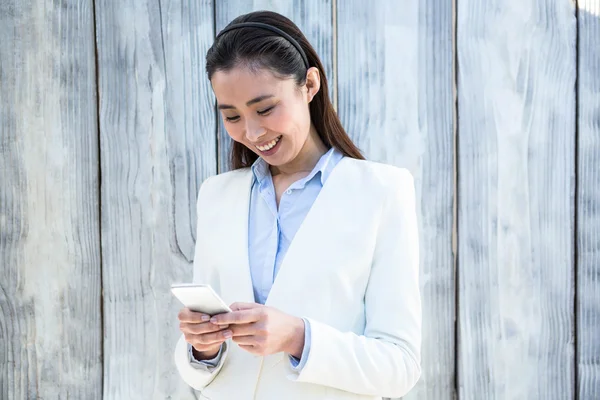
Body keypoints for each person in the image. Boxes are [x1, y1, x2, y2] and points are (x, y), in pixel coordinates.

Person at [173, 10, 421, 400]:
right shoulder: (217, 196)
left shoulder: (381, 192)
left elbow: (400, 365)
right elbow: (200, 371)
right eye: (232, 116)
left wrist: (298, 336)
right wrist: (203, 347)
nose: (252, 133)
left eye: (265, 108)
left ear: (309, 84)